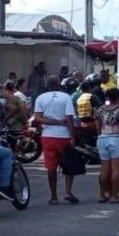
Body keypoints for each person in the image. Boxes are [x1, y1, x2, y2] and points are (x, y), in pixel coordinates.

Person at [33, 75, 79, 204]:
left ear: (47, 85)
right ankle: (68, 191)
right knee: (69, 164)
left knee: (51, 167)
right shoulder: (66, 98)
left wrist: (52, 122)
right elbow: (69, 118)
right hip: (64, 136)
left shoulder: (40, 98)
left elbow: (37, 118)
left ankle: (53, 196)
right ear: (59, 84)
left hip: (48, 136)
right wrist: (72, 137)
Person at [93, 88, 119, 204]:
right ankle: (114, 196)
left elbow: (97, 126)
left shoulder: (100, 110)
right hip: (117, 139)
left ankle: (102, 195)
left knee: (104, 169)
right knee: (116, 169)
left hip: (103, 139)